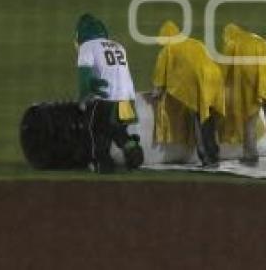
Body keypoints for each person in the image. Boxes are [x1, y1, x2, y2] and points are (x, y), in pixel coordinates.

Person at [150, 20, 225, 168]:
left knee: (200, 121)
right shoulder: (196, 43)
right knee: (209, 118)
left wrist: (156, 92)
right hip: (215, 79)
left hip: (198, 84)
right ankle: (215, 155)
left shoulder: (168, 49)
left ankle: (207, 158)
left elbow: (159, 77)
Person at [75, 13, 143, 173]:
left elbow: (85, 80)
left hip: (106, 99)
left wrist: (82, 99)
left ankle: (102, 163)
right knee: (119, 130)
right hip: (128, 98)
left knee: (96, 129)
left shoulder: (87, 47)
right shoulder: (118, 46)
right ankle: (133, 152)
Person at [219, 23, 266, 168]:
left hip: (251, 85)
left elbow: (224, 70)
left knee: (249, 121)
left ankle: (250, 155)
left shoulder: (233, 43)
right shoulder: (260, 40)